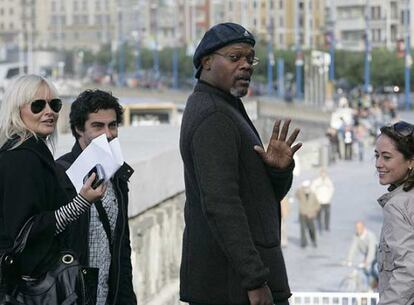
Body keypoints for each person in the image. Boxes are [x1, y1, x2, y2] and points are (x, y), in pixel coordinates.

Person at [179, 22, 302, 305]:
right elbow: (221, 205)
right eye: (236, 58)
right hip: (232, 287)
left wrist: (277, 170)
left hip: (237, 283)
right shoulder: (213, 116)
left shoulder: (225, 107)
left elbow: (260, 201)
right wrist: (255, 279)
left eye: (250, 58)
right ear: (207, 62)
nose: (246, 65)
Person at [0, 75, 105, 296]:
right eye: (38, 105)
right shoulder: (23, 158)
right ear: (16, 110)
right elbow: (27, 231)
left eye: (54, 105)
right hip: (27, 289)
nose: (50, 112)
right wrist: (81, 202)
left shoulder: (27, 151)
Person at [56, 89, 137, 305]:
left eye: (112, 125)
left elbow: (122, 247)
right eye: (98, 126)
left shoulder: (117, 176)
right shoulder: (60, 175)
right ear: (78, 129)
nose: (108, 134)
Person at [375, 121, 414, 305]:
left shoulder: (398, 206)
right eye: (376, 156)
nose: (378, 164)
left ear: (411, 161)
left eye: (386, 157)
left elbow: (407, 271)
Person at [344, 221, 378, 289]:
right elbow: (353, 248)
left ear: (363, 228)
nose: (357, 229)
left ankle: (376, 283)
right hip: (367, 254)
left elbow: (372, 250)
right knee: (365, 270)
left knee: (371, 268)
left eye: (359, 228)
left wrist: (367, 262)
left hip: (377, 253)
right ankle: (372, 285)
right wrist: (348, 260)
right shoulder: (356, 236)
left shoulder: (370, 236)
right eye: (356, 228)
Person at [295, 180, 320, 248]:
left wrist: (313, 212)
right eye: (304, 187)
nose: (306, 188)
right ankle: (303, 242)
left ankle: (313, 240)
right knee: (302, 228)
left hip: (310, 215)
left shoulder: (313, 194)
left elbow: (317, 205)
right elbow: (296, 194)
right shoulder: (301, 193)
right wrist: (300, 188)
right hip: (302, 213)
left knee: (311, 229)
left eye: (307, 187)